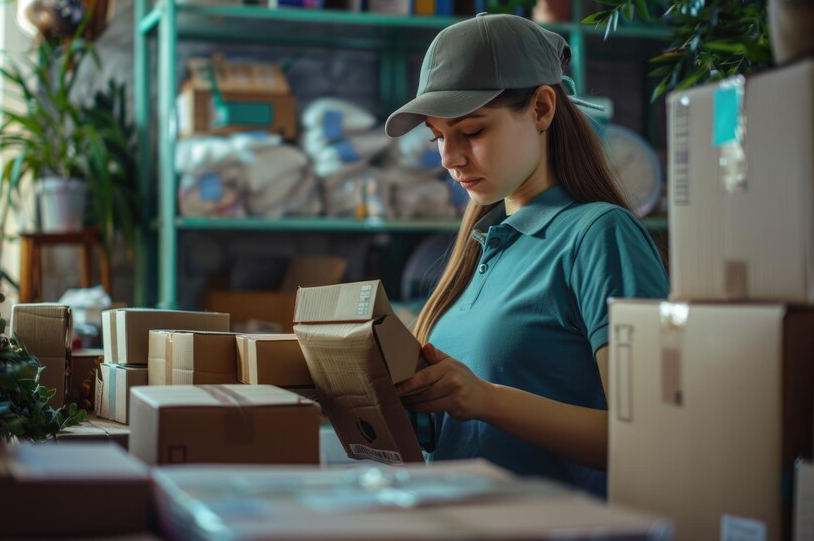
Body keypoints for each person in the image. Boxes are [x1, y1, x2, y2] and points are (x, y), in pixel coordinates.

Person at [384, 13, 669, 497]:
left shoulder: (599, 236)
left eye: (470, 131)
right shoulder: (481, 248)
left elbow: (655, 440)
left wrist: (487, 400)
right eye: (437, 137)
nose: (449, 158)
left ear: (540, 109)